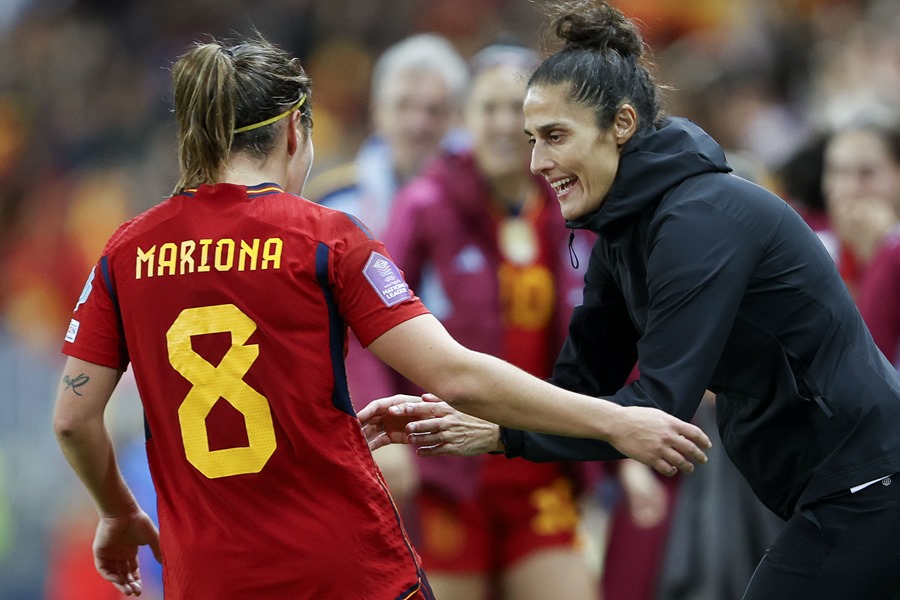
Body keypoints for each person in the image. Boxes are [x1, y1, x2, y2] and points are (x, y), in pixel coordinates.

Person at [52, 33, 711, 599]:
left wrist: (118, 512)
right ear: (293, 130)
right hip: (344, 570)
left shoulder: (125, 251)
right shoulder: (325, 236)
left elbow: (74, 421)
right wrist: (616, 422)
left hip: (210, 579)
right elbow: (456, 377)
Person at [361, 2, 900, 598]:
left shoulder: (697, 218)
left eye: (555, 136)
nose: (537, 162)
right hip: (829, 489)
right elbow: (583, 386)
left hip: (871, 479)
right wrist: (488, 422)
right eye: (532, 140)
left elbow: (656, 410)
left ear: (620, 124)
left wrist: (499, 431)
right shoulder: (623, 229)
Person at [380, 43, 595, 600]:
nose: (503, 124)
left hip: (538, 463)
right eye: (488, 108)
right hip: (448, 473)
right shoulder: (423, 205)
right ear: (463, 119)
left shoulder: (569, 207)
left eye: (515, 110)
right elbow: (369, 325)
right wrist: (389, 443)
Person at [305, 34, 470, 511]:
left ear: (457, 117)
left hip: (461, 403)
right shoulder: (333, 205)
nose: (418, 123)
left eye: (434, 110)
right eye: (404, 106)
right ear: (377, 110)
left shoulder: (484, 204)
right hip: (367, 411)